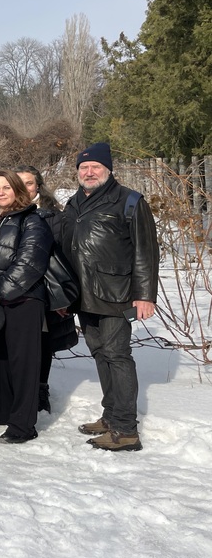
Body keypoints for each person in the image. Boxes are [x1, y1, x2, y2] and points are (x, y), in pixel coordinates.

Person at [63, 143, 158, 452]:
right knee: (100, 353)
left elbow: (146, 251)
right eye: (83, 168)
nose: (89, 172)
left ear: (108, 169)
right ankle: (111, 416)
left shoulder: (129, 201)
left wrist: (144, 295)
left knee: (117, 355)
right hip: (83, 293)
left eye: (95, 167)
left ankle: (127, 430)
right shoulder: (74, 202)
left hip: (117, 294)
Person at [0, 170, 52, 444]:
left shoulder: (32, 220)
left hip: (23, 300)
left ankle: (23, 424)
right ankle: (1, 410)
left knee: (23, 363)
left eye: (6, 187)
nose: (0, 192)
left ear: (17, 189)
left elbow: (30, 263)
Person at [15, 165, 76, 413]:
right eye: (18, 183)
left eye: (28, 183)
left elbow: (65, 256)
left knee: (43, 343)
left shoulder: (54, 217)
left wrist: (63, 297)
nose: (24, 188)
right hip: (13, 290)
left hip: (45, 290)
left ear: (38, 186)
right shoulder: (3, 212)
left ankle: (40, 390)